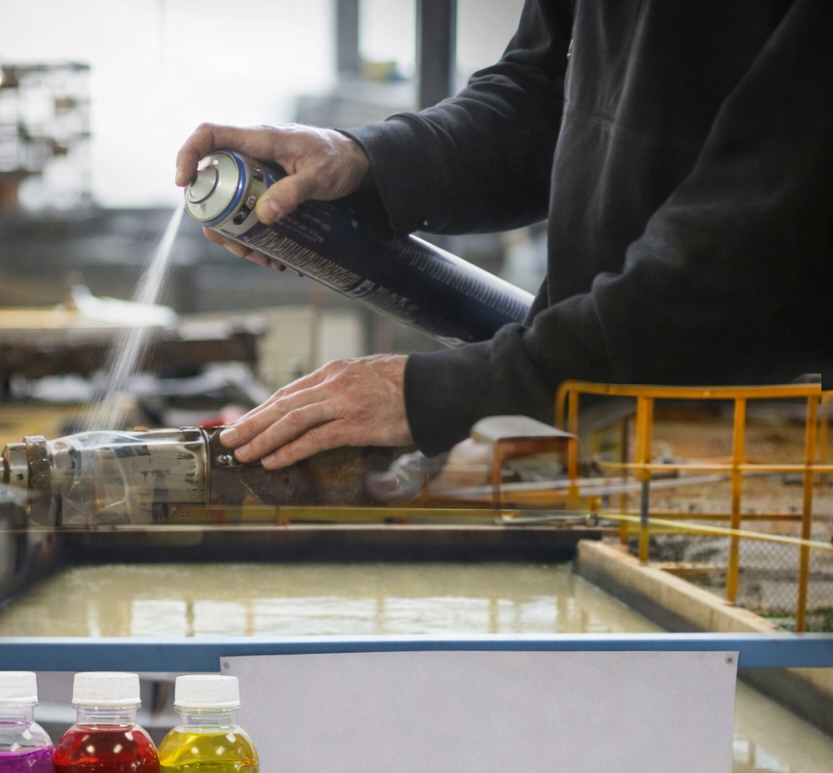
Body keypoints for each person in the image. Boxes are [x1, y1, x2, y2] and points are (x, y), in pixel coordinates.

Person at [175, 0, 831, 470]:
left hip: (781, 463)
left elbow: (744, 266)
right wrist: (369, 160)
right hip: (612, 430)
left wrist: (451, 393)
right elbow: (543, 91)